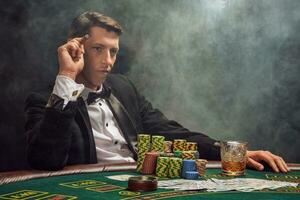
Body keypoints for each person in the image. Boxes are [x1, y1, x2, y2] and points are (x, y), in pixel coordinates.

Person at [25, 11, 289, 173]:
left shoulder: (123, 88)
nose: (109, 60)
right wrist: (67, 76)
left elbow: (174, 134)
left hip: (141, 185)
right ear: (76, 47)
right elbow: (46, 160)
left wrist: (230, 151)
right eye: (98, 49)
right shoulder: (44, 100)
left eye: (114, 51)